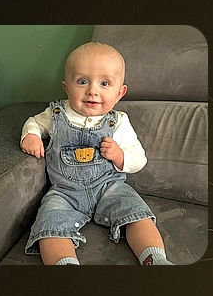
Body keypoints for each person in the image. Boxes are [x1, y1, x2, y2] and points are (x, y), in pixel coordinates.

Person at [20, 41, 172, 265]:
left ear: (120, 93)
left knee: (138, 215)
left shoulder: (118, 121)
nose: (92, 90)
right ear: (66, 87)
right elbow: (34, 123)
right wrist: (31, 136)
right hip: (65, 193)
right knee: (49, 225)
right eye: (82, 81)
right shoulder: (56, 114)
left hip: (110, 187)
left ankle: (155, 260)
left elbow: (139, 158)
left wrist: (120, 155)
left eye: (105, 83)